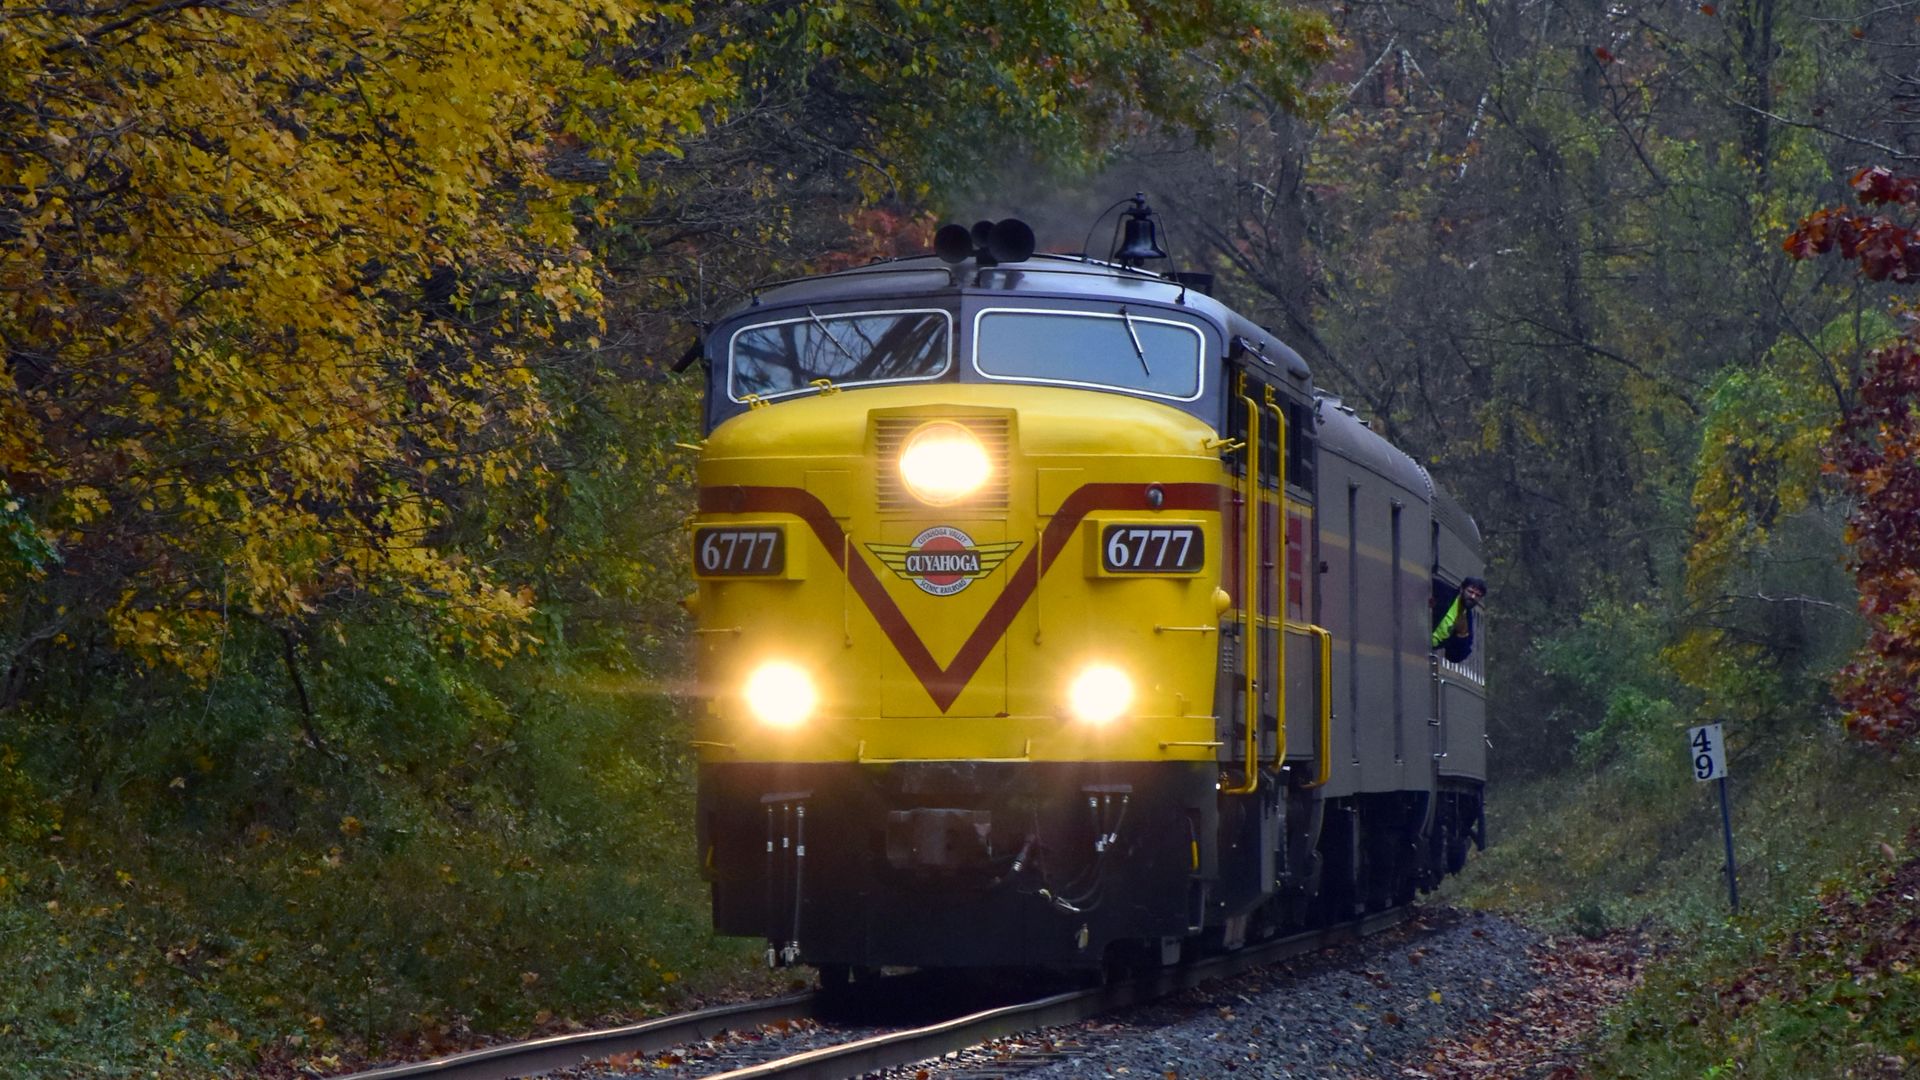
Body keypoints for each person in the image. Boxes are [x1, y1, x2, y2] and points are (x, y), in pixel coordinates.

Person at [1430, 576, 1486, 662]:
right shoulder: (1443, 591)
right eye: (1470, 592)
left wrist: (1462, 635)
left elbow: (1455, 657)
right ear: (1461, 589)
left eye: (1477, 595)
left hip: (1425, 649)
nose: (1473, 597)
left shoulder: (1467, 620)